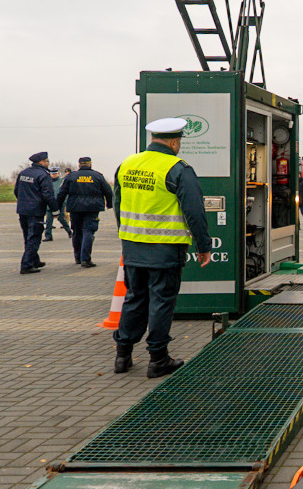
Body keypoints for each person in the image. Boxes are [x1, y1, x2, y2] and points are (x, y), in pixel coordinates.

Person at [113, 117, 212, 379]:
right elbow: (194, 211)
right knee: (161, 301)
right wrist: (204, 245)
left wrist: (127, 236)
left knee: (134, 298)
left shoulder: (127, 164)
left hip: (133, 247)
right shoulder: (177, 167)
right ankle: (158, 359)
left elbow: (118, 204)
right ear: (174, 141)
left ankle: (122, 355)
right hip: (165, 249)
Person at [57, 156, 113, 268]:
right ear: (90, 164)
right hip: (92, 209)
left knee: (77, 232)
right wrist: (109, 204)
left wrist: (57, 207)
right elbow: (108, 191)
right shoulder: (98, 176)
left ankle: (78, 257)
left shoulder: (71, 177)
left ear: (79, 165)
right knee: (88, 231)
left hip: (75, 208)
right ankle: (85, 259)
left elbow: (61, 193)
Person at [14, 152, 61, 275]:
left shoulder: (23, 173)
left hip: (23, 210)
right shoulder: (43, 175)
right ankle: (26, 265)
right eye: (47, 161)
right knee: (34, 237)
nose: (48, 164)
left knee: (27, 236)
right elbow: (48, 195)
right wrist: (55, 210)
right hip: (35, 210)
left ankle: (34, 260)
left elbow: (16, 191)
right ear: (41, 162)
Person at [44, 166, 72, 242]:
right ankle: (48, 235)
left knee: (61, 218)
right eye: (52, 174)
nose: (54, 175)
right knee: (49, 220)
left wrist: (64, 202)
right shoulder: (46, 182)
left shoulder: (62, 181)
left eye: (55, 173)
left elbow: (65, 192)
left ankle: (69, 231)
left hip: (59, 203)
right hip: (50, 203)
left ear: (58, 174)